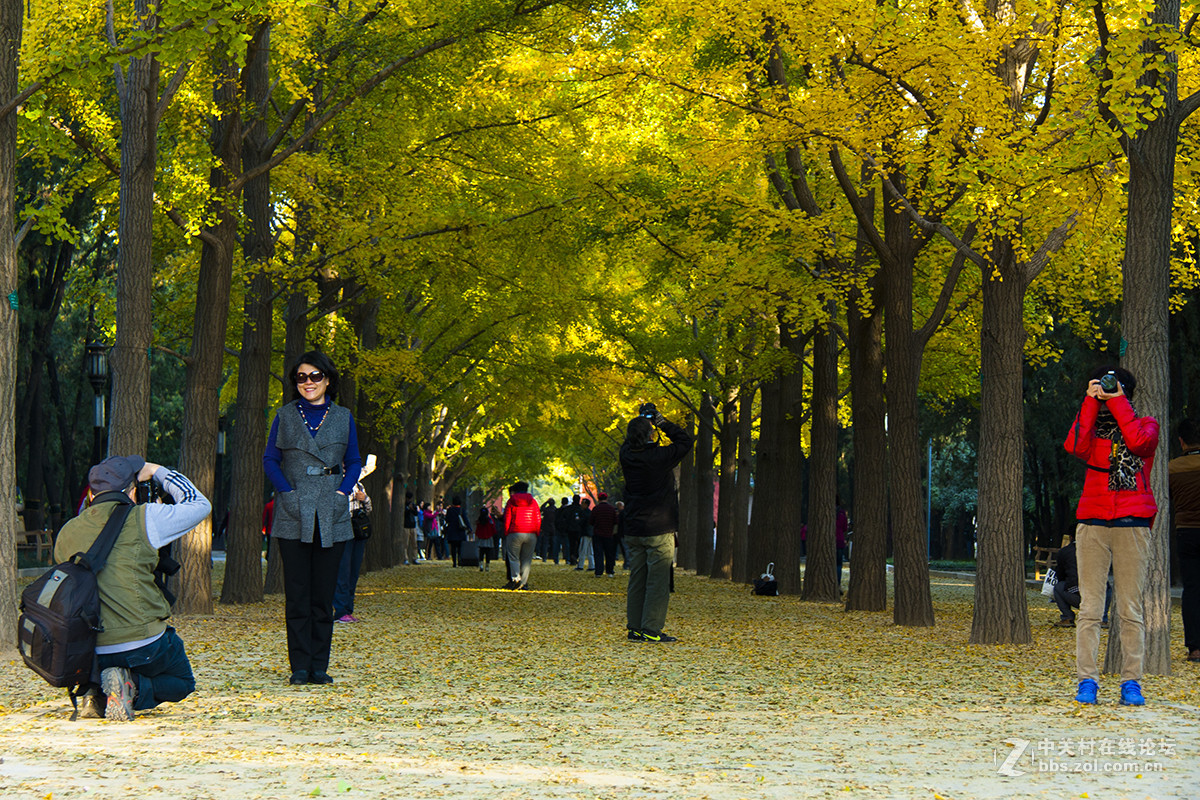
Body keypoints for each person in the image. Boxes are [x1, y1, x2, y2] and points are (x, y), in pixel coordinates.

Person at [55, 456, 211, 721]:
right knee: (182, 681)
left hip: (89, 651)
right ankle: (131, 686)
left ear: (91, 494)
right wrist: (159, 471)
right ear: (132, 492)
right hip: (143, 644)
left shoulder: (67, 530)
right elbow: (199, 504)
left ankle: (96, 691)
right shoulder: (146, 517)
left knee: (107, 657)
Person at [263, 350, 362, 686]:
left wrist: (342, 493)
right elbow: (270, 459)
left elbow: (354, 461)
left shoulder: (343, 417)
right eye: (301, 377)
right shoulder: (285, 416)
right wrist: (286, 493)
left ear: (328, 380)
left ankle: (319, 666)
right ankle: (299, 666)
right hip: (293, 512)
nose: (308, 382)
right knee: (297, 594)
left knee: (323, 595)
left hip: (332, 511)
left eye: (315, 376)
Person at [1064, 366, 1158, 706]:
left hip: (1132, 522)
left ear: (1126, 391)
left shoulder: (1145, 424)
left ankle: (1131, 682)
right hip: (1093, 521)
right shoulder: (1092, 429)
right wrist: (1089, 402)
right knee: (1090, 609)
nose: (1106, 391)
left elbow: (1140, 444)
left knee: (1130, 609)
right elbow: (1075, 445)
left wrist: (1117, 401)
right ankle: (1087, 681)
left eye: (1113, 386)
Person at [620, 402, 693, 643]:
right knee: (658, 582)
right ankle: (651, 629)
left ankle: (635, 627)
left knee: (637, 579)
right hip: (659, 527)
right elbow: (685, 441)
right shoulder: (660, 457)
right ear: (651, 435)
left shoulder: (627, 455)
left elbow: (631, 441)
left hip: (634, 527)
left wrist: (642, 423)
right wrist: (660, 422)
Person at [1169, 418, 1200, 663]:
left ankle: (1195, 648)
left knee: (1191, 589)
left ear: (1181, 442)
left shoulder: (1172, 468)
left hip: (1186, 532)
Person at [333, 480, 372, 623]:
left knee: (354, 571)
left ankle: (348, 609)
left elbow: (369, 509)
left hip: (358, 531)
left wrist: (365, 499)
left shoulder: (359, 485)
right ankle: (340, 610)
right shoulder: (336, 482)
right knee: (343, 570)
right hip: (342, 529)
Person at [503, 481, 542, 589]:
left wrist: (506, 532)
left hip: (515, 532)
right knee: (526, 559)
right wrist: (537, 532)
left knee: (513, 557)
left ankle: (516, 579)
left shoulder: (511, 501)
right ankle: (524, 583)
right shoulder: (533, 502)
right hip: (531, 533)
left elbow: (507, 518)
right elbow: (538, 518)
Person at [590, 492, 619, 577]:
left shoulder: (596, 509)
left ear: (598, 499)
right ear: (607, 498)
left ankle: (599, 572)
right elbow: (616, 521)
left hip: (598, 534)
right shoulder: (611, 509)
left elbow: (591, 521)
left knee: (598, 553)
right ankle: (609, 571)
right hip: (609, 534)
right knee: (609, 553)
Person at [443, 497, 472, 566]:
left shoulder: (450, 510)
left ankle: (454, 562)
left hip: (452, 530)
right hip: (460, 530)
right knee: (460, 547)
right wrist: (469, 528)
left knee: (453, 547)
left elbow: (447, 519)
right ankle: (459, 560)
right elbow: (466, 519)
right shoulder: (462, 510)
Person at [474, 506, 498, 571]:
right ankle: (487, 566)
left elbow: (477, 530)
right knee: (488, 553)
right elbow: (493, 528)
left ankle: (481, 565)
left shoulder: (479, 520)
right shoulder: (490, 520)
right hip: (488, 538)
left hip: (481, 538)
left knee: (481, 552)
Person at [577, 497, 595, 572]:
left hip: (585, 532)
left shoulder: (584, 513)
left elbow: (582, 522)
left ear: (586, 504)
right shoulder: (590, 512)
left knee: (582, 549)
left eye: (582, 503)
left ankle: (580, 565)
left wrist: (578, 520)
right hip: (590, 533)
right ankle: (591, 565)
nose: (581, 505)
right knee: (590, 550)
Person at [403, 492, 420, 565]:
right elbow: (404, 513)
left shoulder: (413, 504)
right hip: (406, 526)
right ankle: (405, 559)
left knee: (414, 543)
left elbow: (416, 513)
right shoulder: (404, 505)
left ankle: (414, 558)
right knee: (405, 543)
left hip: (413, 526)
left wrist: (412, 509)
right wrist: (408, 508)